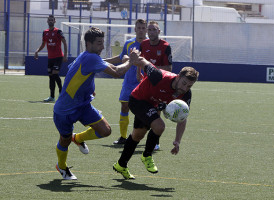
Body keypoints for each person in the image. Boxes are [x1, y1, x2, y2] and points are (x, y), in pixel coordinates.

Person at [53, 27, 138, 180]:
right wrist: (131, 61)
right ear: (88, 43)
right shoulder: (91, 58)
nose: (102, 47)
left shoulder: (86, 56)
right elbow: (117, 72)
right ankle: (62, 166)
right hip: (65, 110)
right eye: (99, 43)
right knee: (63, 140)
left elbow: (95, 67)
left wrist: (89, 89)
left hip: (83, 105)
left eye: (102, 43)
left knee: (105, 130)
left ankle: (77, 138)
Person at [113, 52, 199, 180]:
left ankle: (121, 164)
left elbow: (182, 118)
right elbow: (143, 62)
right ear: (178, 76)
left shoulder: (185, 95)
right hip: (137, 100)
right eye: (184, 83)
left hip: (151, 105)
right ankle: (147, 155)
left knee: (137, 135)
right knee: (159, 126)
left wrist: (177, 141)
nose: (185, 88)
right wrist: (134, 58)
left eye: (189, 86)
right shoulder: (159, 76)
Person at [104, 19, 148, 145]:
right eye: (138, 27)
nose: (141, 30)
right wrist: (103, 60)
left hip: (143, 81)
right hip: (129, 81)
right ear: (135, 29)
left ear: (145, 29)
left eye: (143, 28)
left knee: (144, 110)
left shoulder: (149, 44)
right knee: (124, 106)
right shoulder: (129, 43)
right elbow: (120, 57)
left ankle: (146, 138)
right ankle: (123, 137)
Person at [139, 20, 173, 150]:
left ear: (159, 31)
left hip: (160, 82)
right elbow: (140, 60)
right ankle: (137, 136)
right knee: (142, 109)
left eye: (154, 30)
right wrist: (138, 73)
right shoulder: (144, 44)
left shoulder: (165, 46)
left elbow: (169, 68)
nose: (151, 32)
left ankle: (155, 141)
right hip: (146, 83)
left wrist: (151, 68)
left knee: (156, 111)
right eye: (150, 30)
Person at [34, 15, 68, 102]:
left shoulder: (58, 31)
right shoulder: (45, 32)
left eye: (52, 20)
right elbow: (43, 44)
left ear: (54, 21)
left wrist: (65, 55)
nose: (50, 21)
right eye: (49, 20)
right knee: (51, 76)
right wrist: (37, 51)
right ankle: (52, 97)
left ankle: (62, 92)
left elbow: (64, 42)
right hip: (50, 58)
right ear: (47, 21)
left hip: (58, 57)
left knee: (55, 73)